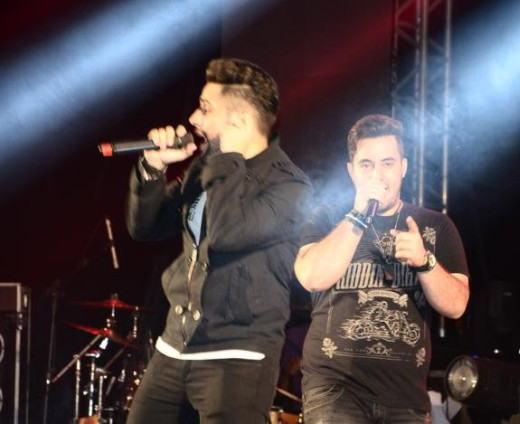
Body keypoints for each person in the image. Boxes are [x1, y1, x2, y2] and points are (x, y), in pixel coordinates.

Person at [125, 58, 312, 424]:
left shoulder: (289, 185)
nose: (194, 118)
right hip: (175, 346)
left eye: (206, 109)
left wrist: (227, 157)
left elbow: (228, 233)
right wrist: (153, 168)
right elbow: (145, 227)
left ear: (239, 120)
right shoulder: (206, 169)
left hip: (237, 355)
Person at [294, 114, 469, 424]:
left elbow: (456, 305)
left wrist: (425, 261)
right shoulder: (327, 217)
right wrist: (357, 217)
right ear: (351, 171)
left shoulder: (435, 225)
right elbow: (311, 277)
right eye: (366, 165)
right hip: (335, 390)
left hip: (406, 398)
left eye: (388, 163)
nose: (378, 175)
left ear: (403, 167)